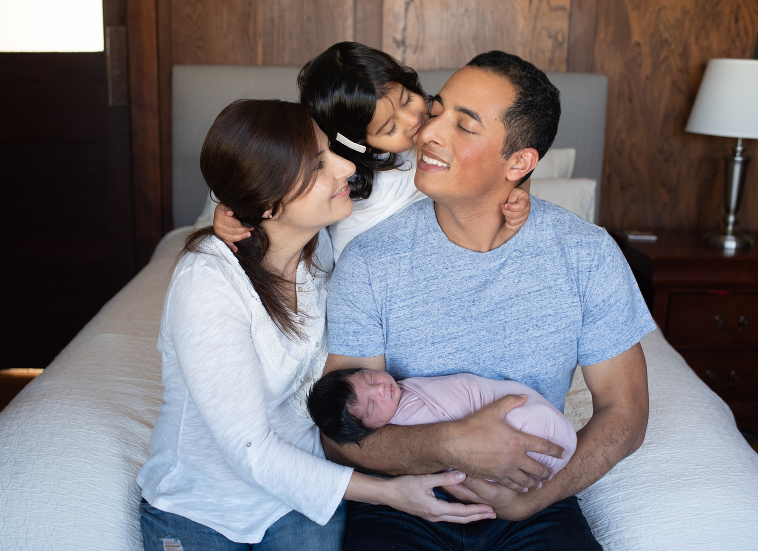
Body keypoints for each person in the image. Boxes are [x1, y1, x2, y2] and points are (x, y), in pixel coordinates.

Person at [323, 51, 657, 550]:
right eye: (436, 112)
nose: (429, 133)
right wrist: (451, 443)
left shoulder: (586, 254)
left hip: (535, 496)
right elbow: (338, 432)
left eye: (466, 125)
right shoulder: (371, 258)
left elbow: (624, 413)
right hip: (406, 500)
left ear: (519, 162)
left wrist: (535, 499)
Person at [136, 99, 498, 551]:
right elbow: (252, 452)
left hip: (298, 498)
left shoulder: (320, 247)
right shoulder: (207, 283)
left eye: (331, 151)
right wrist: (392, 493)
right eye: (318, 165)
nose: (347, 167)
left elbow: (434, 189)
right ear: (267, 204)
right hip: (204, 505)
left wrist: (511, 192)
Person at [211, 42, 530, 261]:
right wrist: (231, 213)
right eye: (389, 128)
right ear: (354, 142)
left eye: (406, 99)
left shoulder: (449, 129)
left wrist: (518, 193)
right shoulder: (340, 181)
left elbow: (508, 158)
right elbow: (272, 188)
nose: (412, 119)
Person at [306, 368, 577, 476]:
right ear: (369, 429)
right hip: (529, 439)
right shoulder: (407, 418)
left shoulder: (401, 391)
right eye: (374, 405)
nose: (380, 389)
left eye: (369, 378)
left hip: (535, 420)